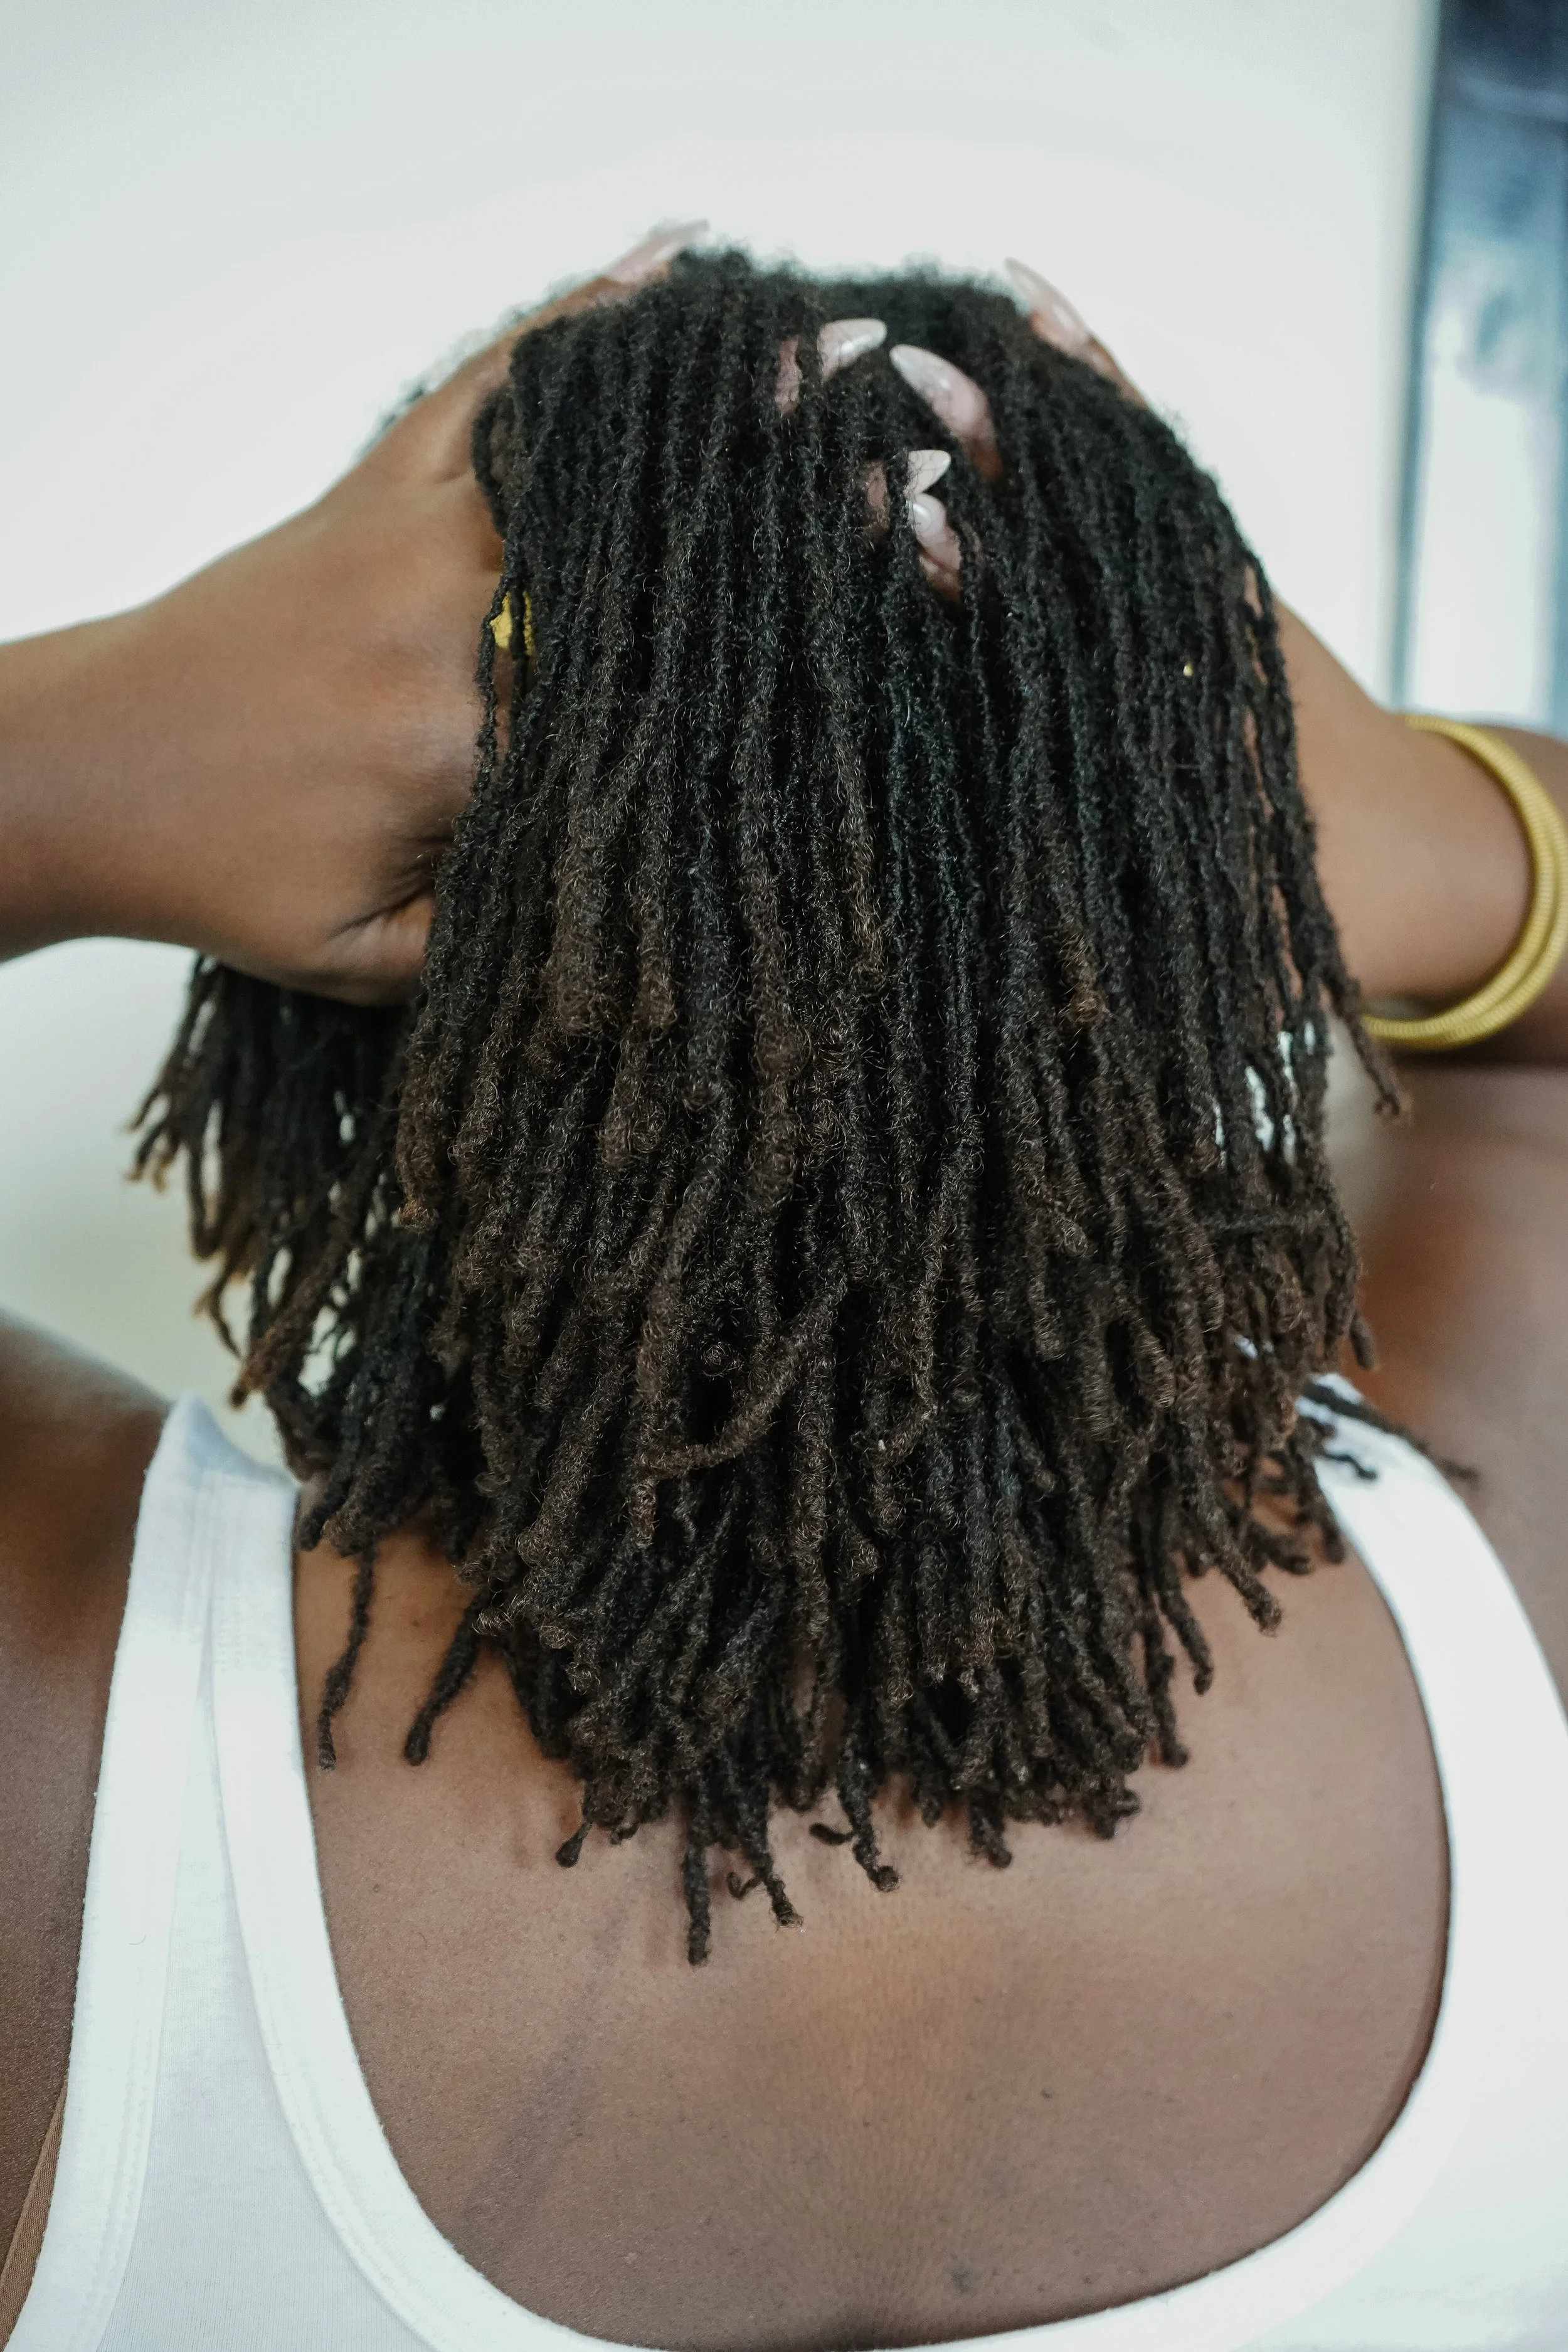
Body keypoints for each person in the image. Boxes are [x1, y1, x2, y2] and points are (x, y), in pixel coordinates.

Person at [1, 226, 1565, 2352]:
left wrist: (82, 740)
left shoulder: (63, 1762)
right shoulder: (1507, 1617)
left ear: (346, 933)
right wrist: (1408, 820)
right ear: (1213, 922)